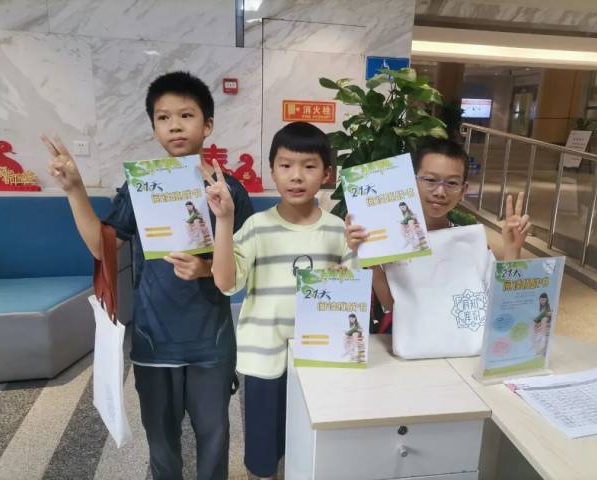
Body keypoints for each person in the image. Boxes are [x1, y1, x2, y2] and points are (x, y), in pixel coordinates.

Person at [42, 71, 253, 480]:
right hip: (154, 340)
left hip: (211, 341)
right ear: (154, 127)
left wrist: (206, 267)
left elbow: (245, 262)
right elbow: (102, 247)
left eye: (186, 115)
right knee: (161, 441)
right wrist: (74, 189)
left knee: (214, 437)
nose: (175, 125)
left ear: (208, 124)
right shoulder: (141, 187)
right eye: (163, 117)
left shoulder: (229, 191)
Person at [203, 121, 355, 480]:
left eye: (309, 166)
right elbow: (226, 283)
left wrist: (359, 253)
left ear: (327, 174)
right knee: (263, 453)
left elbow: (352, 292)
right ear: (272, 170)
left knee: (313, 443)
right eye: (285, 165)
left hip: (319, 358)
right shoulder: (257, 226)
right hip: (264, 357)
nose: (296, 176)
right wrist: (224, 220)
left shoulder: (338, 230)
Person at [346, 138, 530, 312]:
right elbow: (392, 306)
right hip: (413, 336)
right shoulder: (394, 240)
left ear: (463, 190)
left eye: (452, 183)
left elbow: (500, 303)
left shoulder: (471, 241)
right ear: (412, 182)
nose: (440, 191)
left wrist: (512, 250)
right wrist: (369, 258)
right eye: (430, 180)